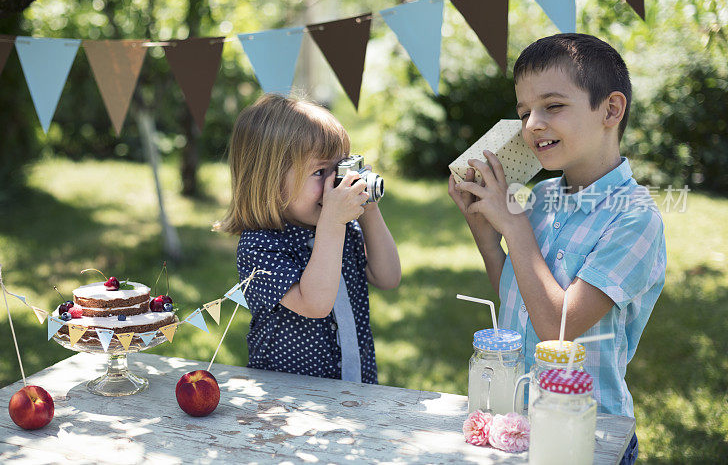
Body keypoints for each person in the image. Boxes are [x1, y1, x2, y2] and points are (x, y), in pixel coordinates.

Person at [448, 33, 666, 464]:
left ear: (611, 109)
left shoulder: (635, 219)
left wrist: (514, 225)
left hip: (588, 434)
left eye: (553, 106)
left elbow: (559, 330)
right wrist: (487, 235)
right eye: (524, 111)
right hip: (520, 422)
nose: (532, 125)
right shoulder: (544, 196)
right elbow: (521, 299)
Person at [216, 93, 401, 384]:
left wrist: (369, 210)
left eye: (340, 168)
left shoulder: (339, 226)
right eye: (320, 172)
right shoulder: (260, 246)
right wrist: (333, 222)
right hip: (289, 397)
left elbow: (388, 277)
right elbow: (315, 304)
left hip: (355, 384)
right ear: (271, 182)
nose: (336, 182)